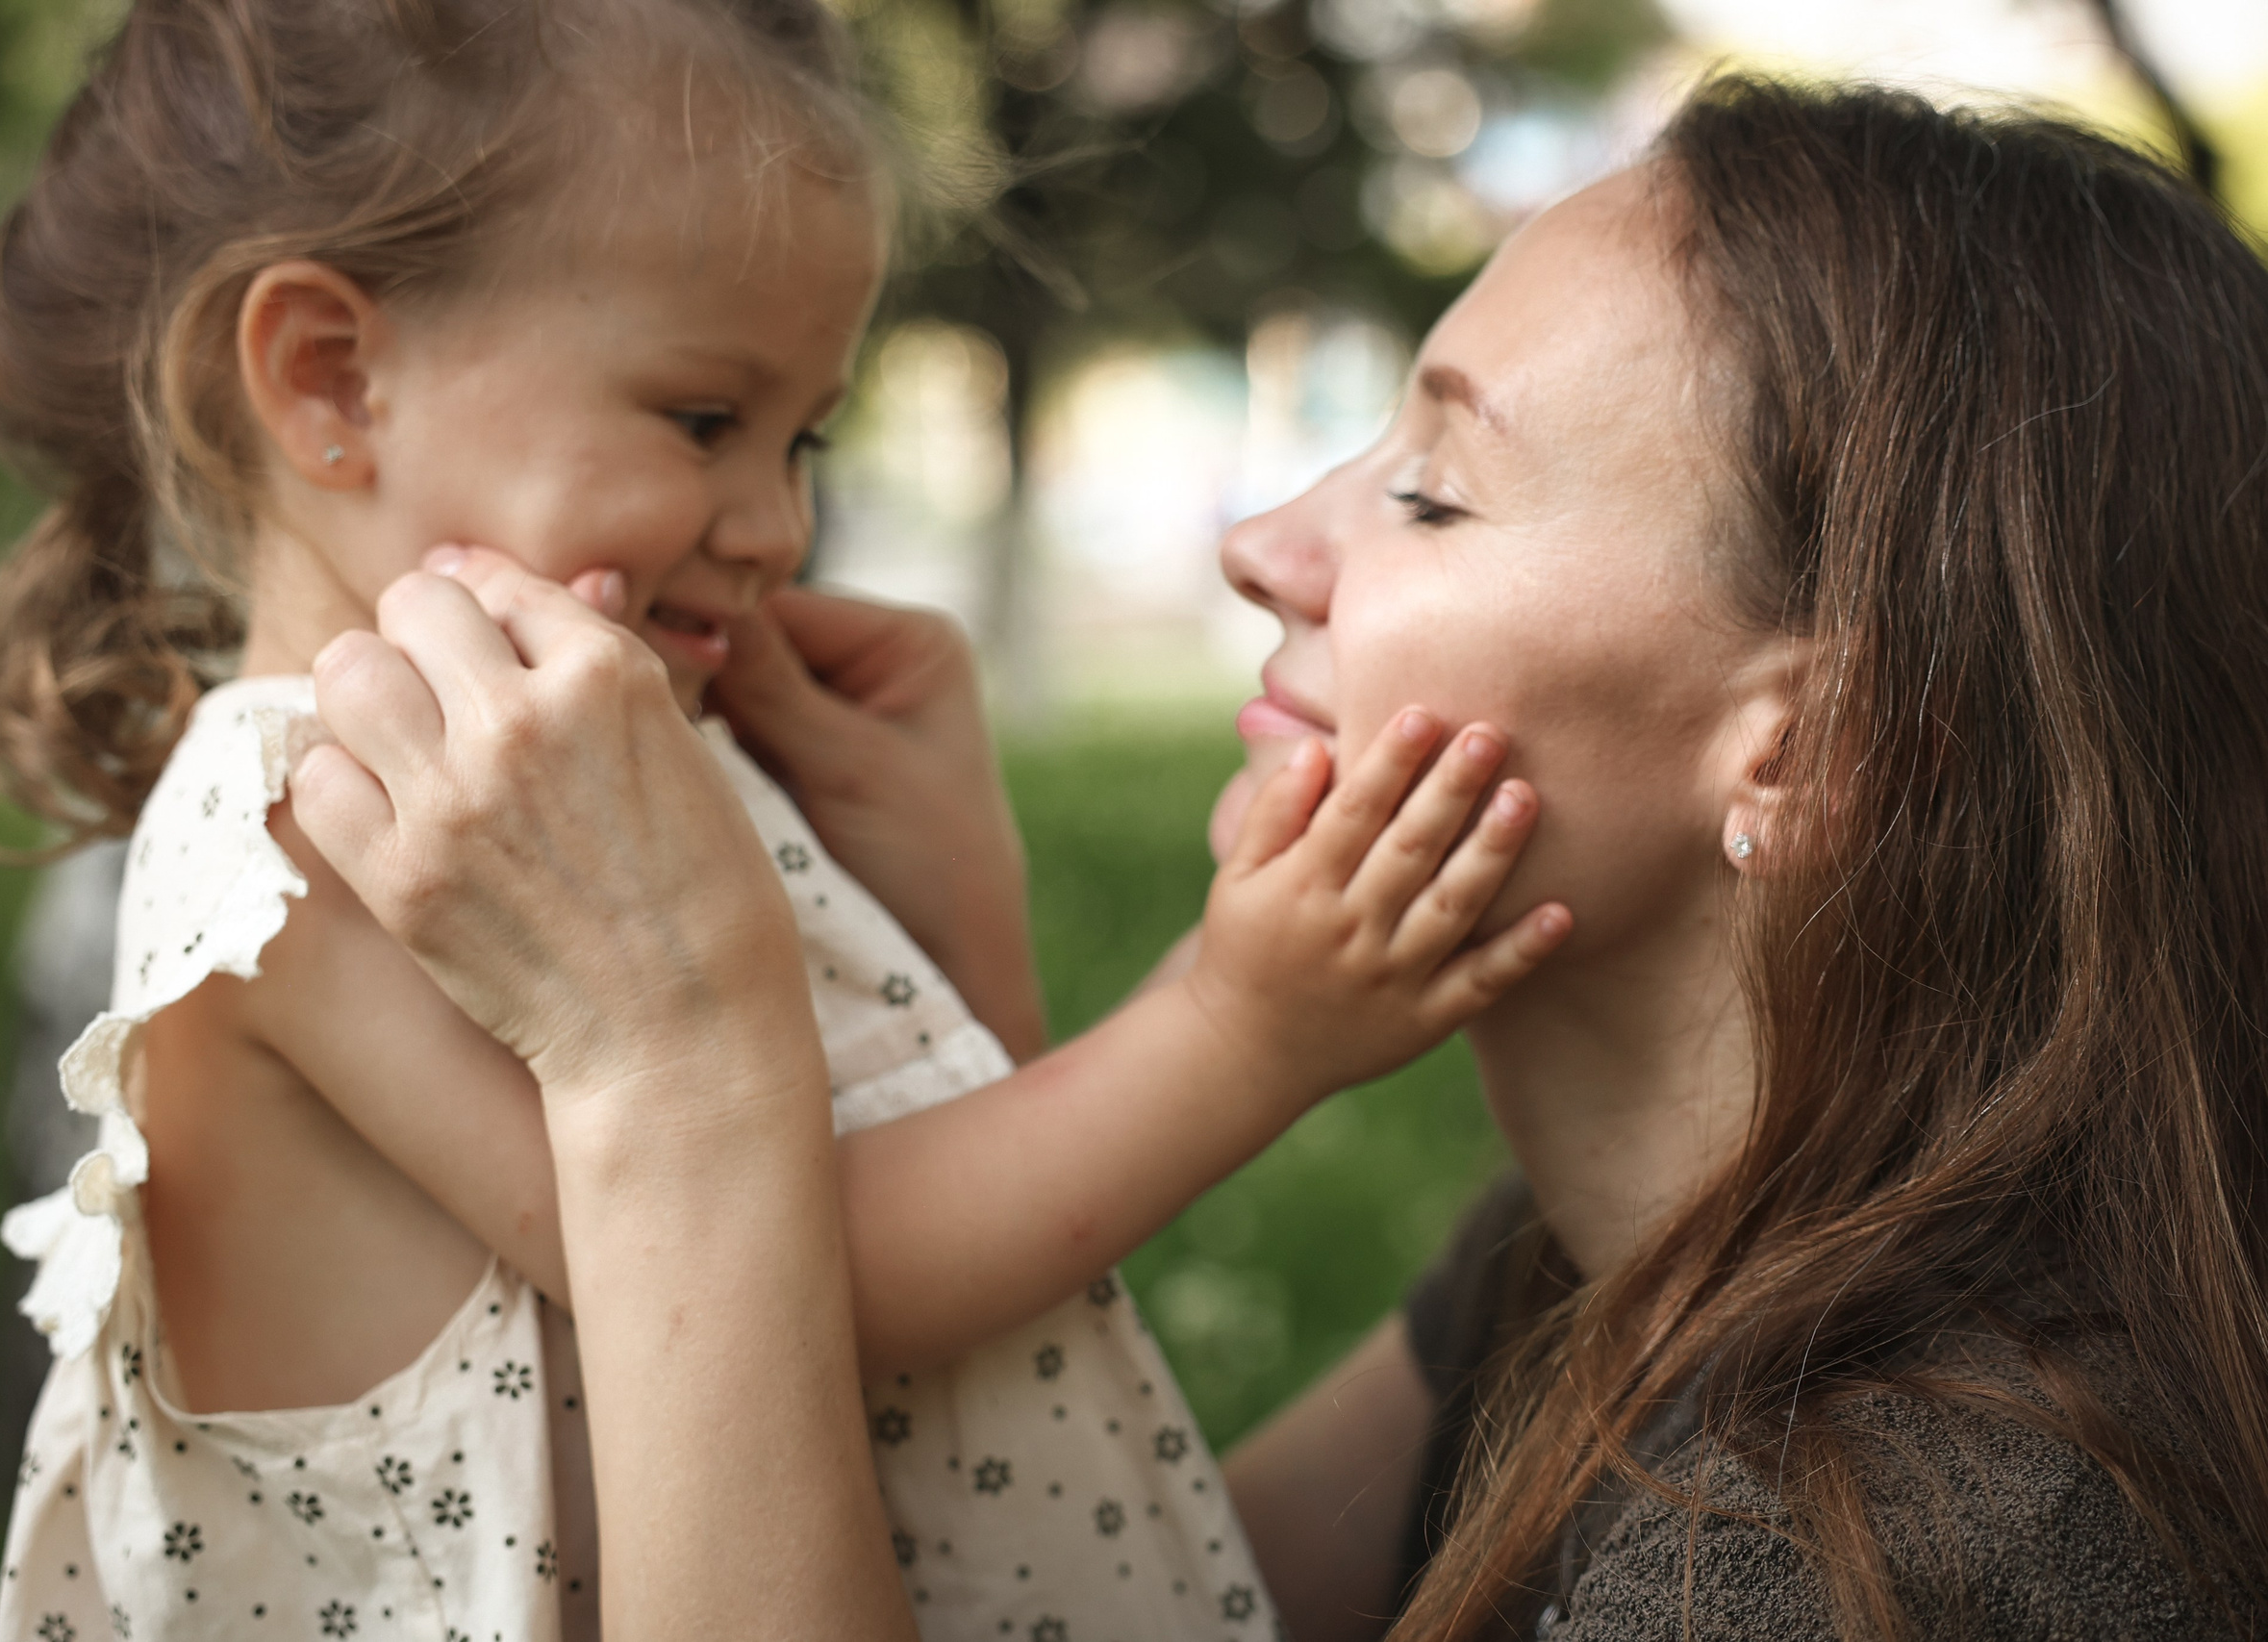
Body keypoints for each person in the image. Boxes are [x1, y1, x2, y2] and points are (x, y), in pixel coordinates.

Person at [291, 77, 2268, 1639]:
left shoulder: (1890, 1557)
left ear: (1818, 740)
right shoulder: (1591, 1270)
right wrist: (965, 938)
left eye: (1427, 490)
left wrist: (676, 1083)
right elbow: (1096, 1596)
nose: (1262, 545)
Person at [0, 3, 1573, 1638]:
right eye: (705, 421)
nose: (779, 526)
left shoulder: (563, 780)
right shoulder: (311, 827)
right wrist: (1241, 1028)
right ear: (332, 380)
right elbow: (803, 1286)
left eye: (805, 437)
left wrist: (959, 919)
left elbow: (894, 1268)